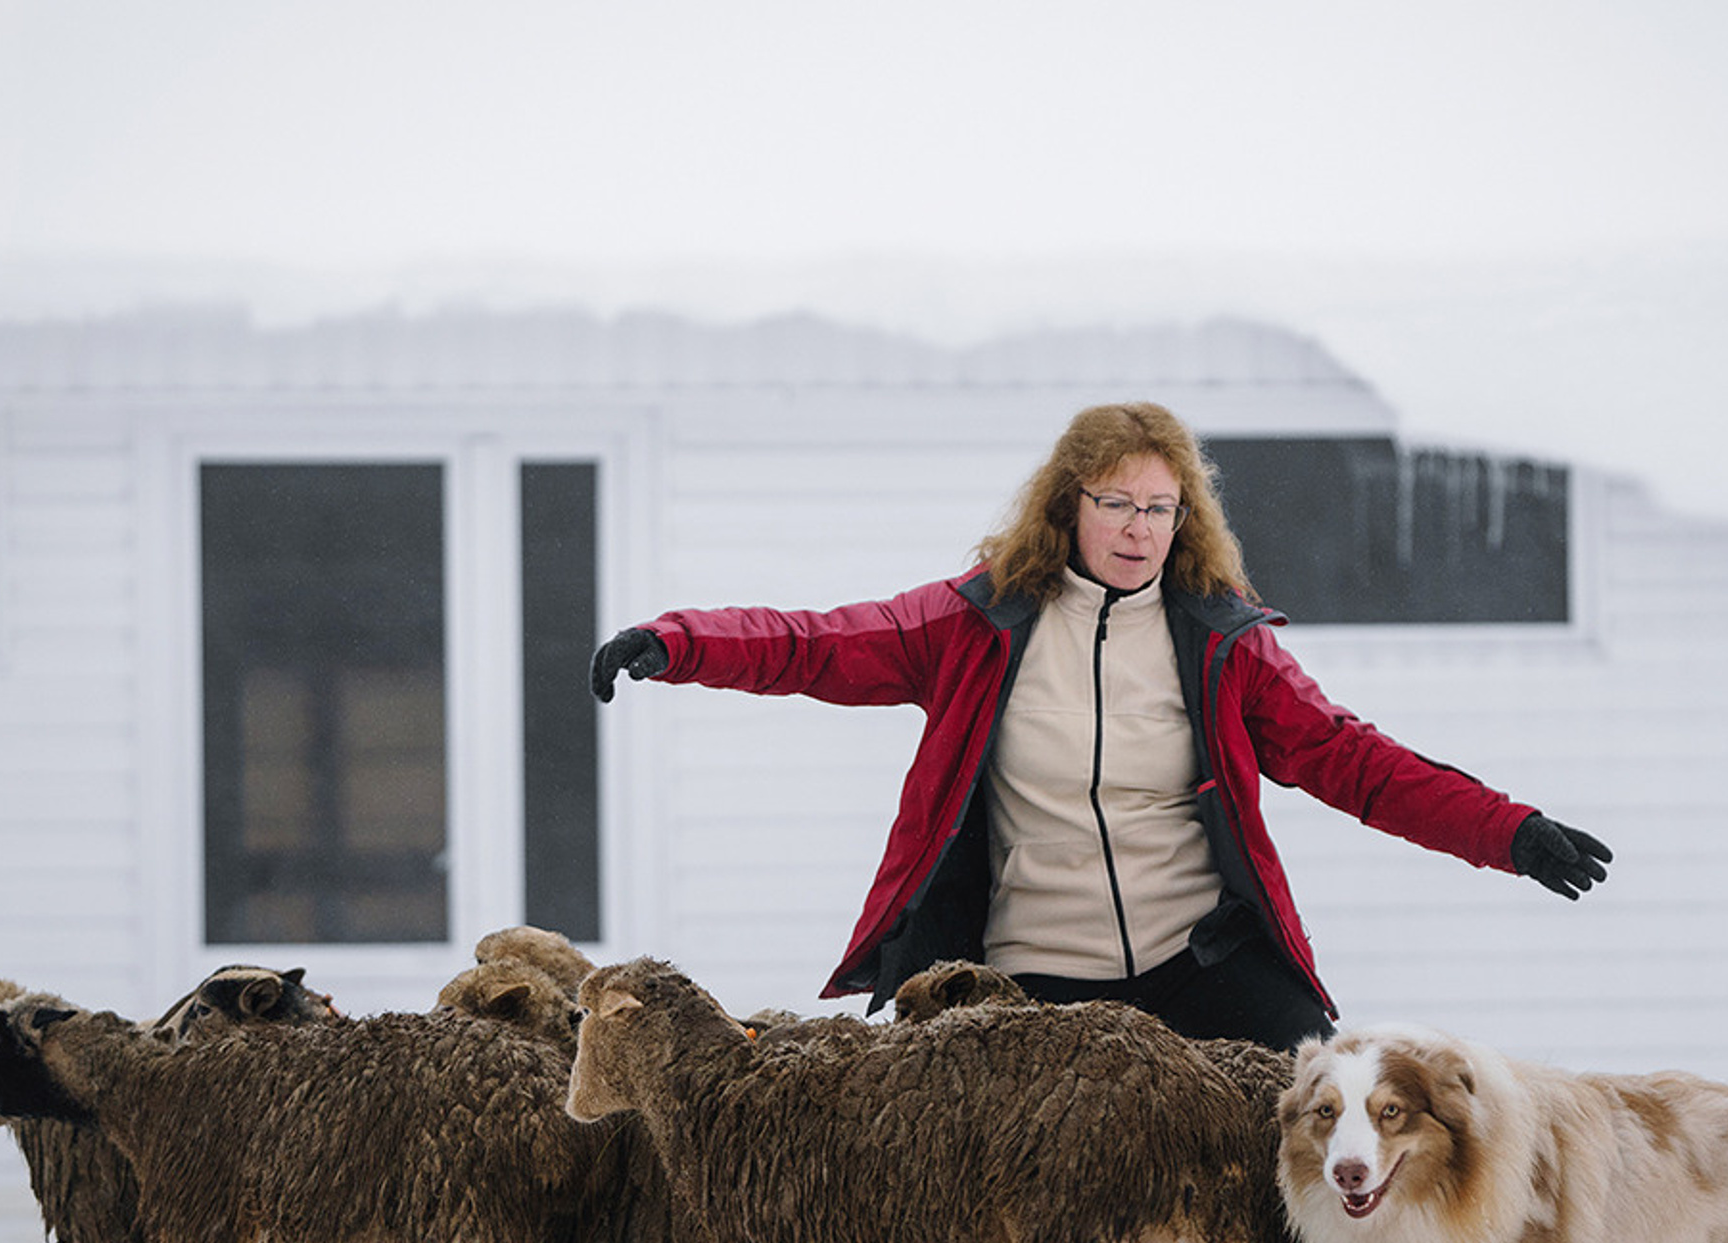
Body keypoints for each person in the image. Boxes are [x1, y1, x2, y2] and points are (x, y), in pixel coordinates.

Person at [591, 400, 1610, 1049]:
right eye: (1117, 503)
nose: (1139, 528)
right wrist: (674, 643)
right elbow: (813, 645)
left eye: (1160, 508)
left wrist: (1509, 833)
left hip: (1197, 965)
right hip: (1027, 982)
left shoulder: (1220, 641)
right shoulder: (974, 623)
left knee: (1319, 1102)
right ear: (1067, 507)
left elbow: (1355, 761)